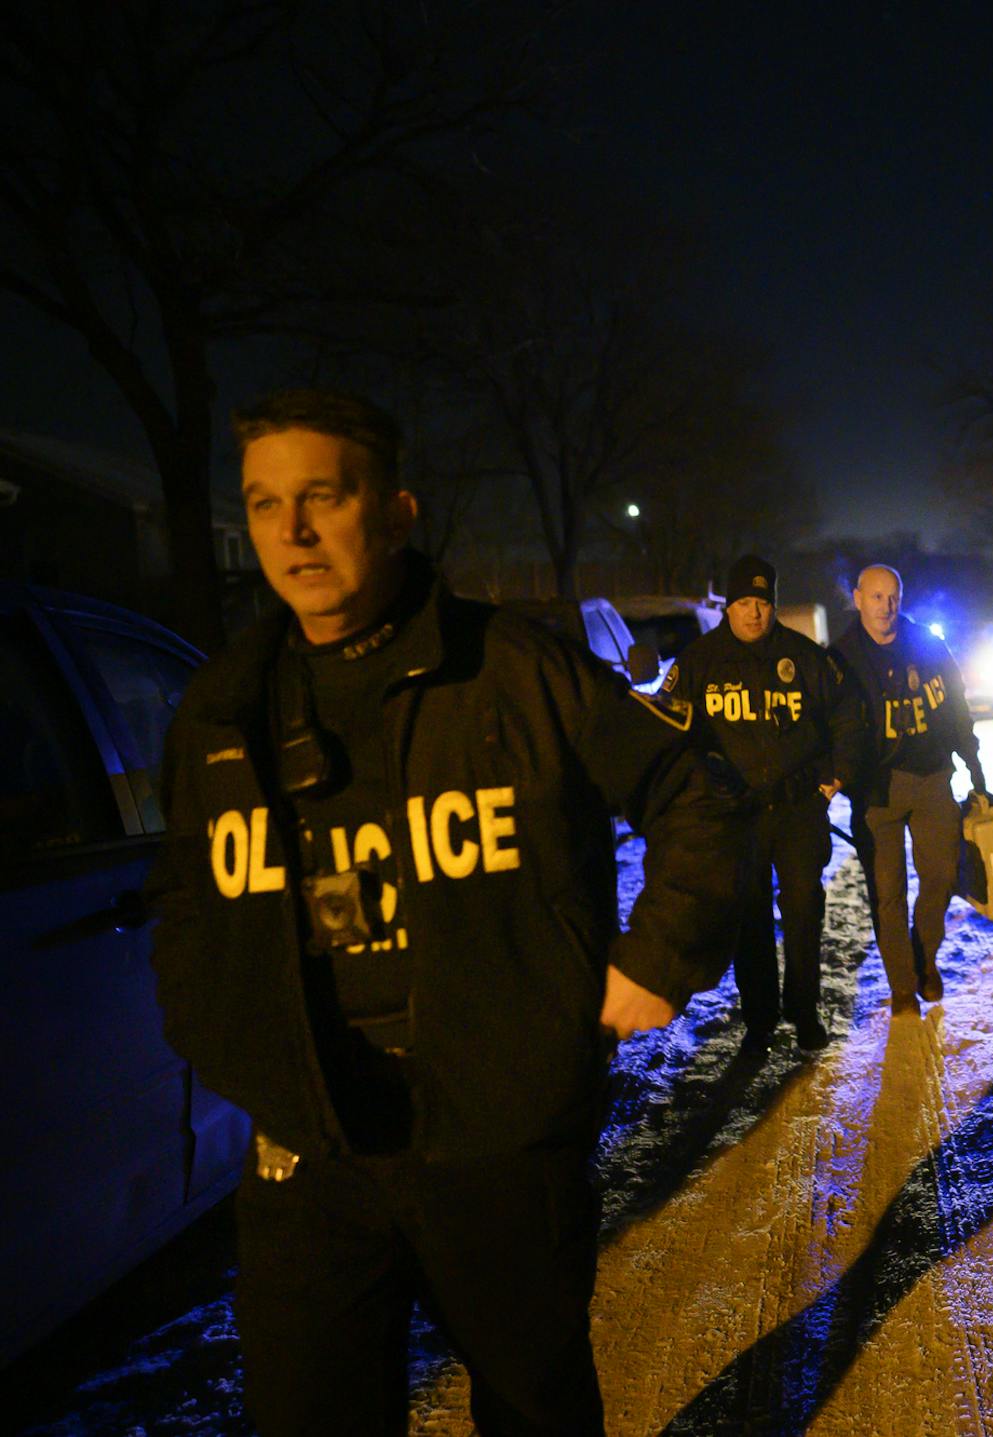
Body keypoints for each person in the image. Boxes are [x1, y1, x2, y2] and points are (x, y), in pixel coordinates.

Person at [147, 388, 747, 1435]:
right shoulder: (223, 708)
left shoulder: (513, 670)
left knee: (534, 1410)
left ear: (395, 512)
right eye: (264, 504)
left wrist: (656, 959)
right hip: (312, 1153)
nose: (292, 532)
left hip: (497, 1138)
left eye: (323, 497)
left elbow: (694, 789)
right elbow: (187, 908)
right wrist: (235, 1049)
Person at [661, 554, 862, 1051]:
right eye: (744, 603)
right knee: (749, 918)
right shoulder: (699, 662)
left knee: (803, 912)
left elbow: (847, 715)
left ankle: (804, 1010)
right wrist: (694, 793)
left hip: (798, 809)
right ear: (728, 607)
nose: (754, 612)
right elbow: (669, 730)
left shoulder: (805, 657)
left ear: (773, 605)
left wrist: (836, 776)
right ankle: (760, 1019)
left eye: (763, 603)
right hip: (738, 813)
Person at [831, 564, 986, 1016]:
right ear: (858, 598)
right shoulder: (840, 657)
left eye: (893, 597)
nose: (887, 607)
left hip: (932, 777)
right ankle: (902, 984)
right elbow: (828, 725)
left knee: (940, 876)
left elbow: (955, 703)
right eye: (876, 597)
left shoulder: (926, 644)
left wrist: (971, 758)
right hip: (876, 791)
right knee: (888, 892)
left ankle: (925, 957)